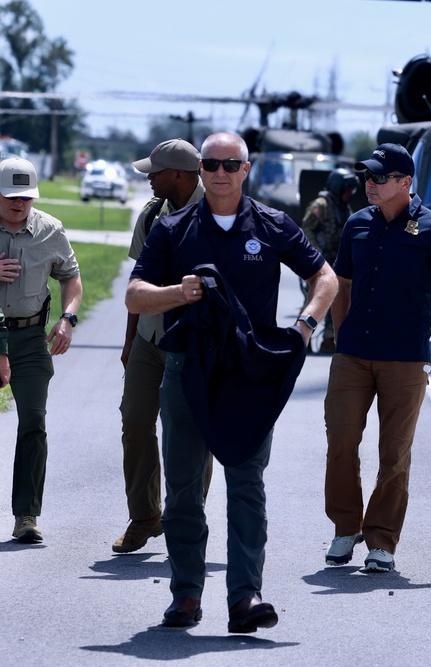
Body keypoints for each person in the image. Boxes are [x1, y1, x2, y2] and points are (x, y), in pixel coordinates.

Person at [125, 132, 336, 632]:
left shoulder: (272, 224)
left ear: (246, 170)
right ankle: (186, 596)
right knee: (181, 490)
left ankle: (245, 597)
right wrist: (179, 292)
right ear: (199, 169)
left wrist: (306, 324)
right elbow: (135, 295)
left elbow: (324, 276)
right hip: (188, 370)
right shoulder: (173, 228)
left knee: (246, 485)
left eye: (230, 164)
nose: (220, 172)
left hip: (248, 374)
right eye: (212, 164)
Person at [322, 143, 431, 573]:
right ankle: (345, 528)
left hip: (404, 361)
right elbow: (342, 284)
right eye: (367, 176)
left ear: (405, 183)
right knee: (341, 442)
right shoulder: (356, 224)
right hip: (352, 355)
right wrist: (340, 337)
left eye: (379, 177)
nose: (369, 183)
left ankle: (382, 541)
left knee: (394, 454)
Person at [112, 138, 210, 554]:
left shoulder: (218, 215)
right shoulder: (152, 214)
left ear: (178, 175)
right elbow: (138, 281)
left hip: (195, 344)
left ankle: (186, 517)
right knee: (135, 422)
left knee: (191, 434)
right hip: (151, 338)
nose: (148, 178)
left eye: (154, 171)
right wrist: (130, 339)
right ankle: (145, 516)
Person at [0, 157, 83, 544]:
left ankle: (26, 515)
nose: (18, 203)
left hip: (30, 339)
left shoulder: (50, 230)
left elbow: (71, 278)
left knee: (33, 422)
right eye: (10, 195)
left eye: (25, 197)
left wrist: (67, 318)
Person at [300, 167, 359, 352]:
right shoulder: (321, 205)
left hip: (337, 263)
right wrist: (316, 255)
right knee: (315, 300)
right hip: (320, 263)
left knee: (338, 299)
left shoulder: (343, 208)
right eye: (348, 188)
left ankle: (329, 339)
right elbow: (306, 229)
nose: (350, 193)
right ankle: (301, 338)